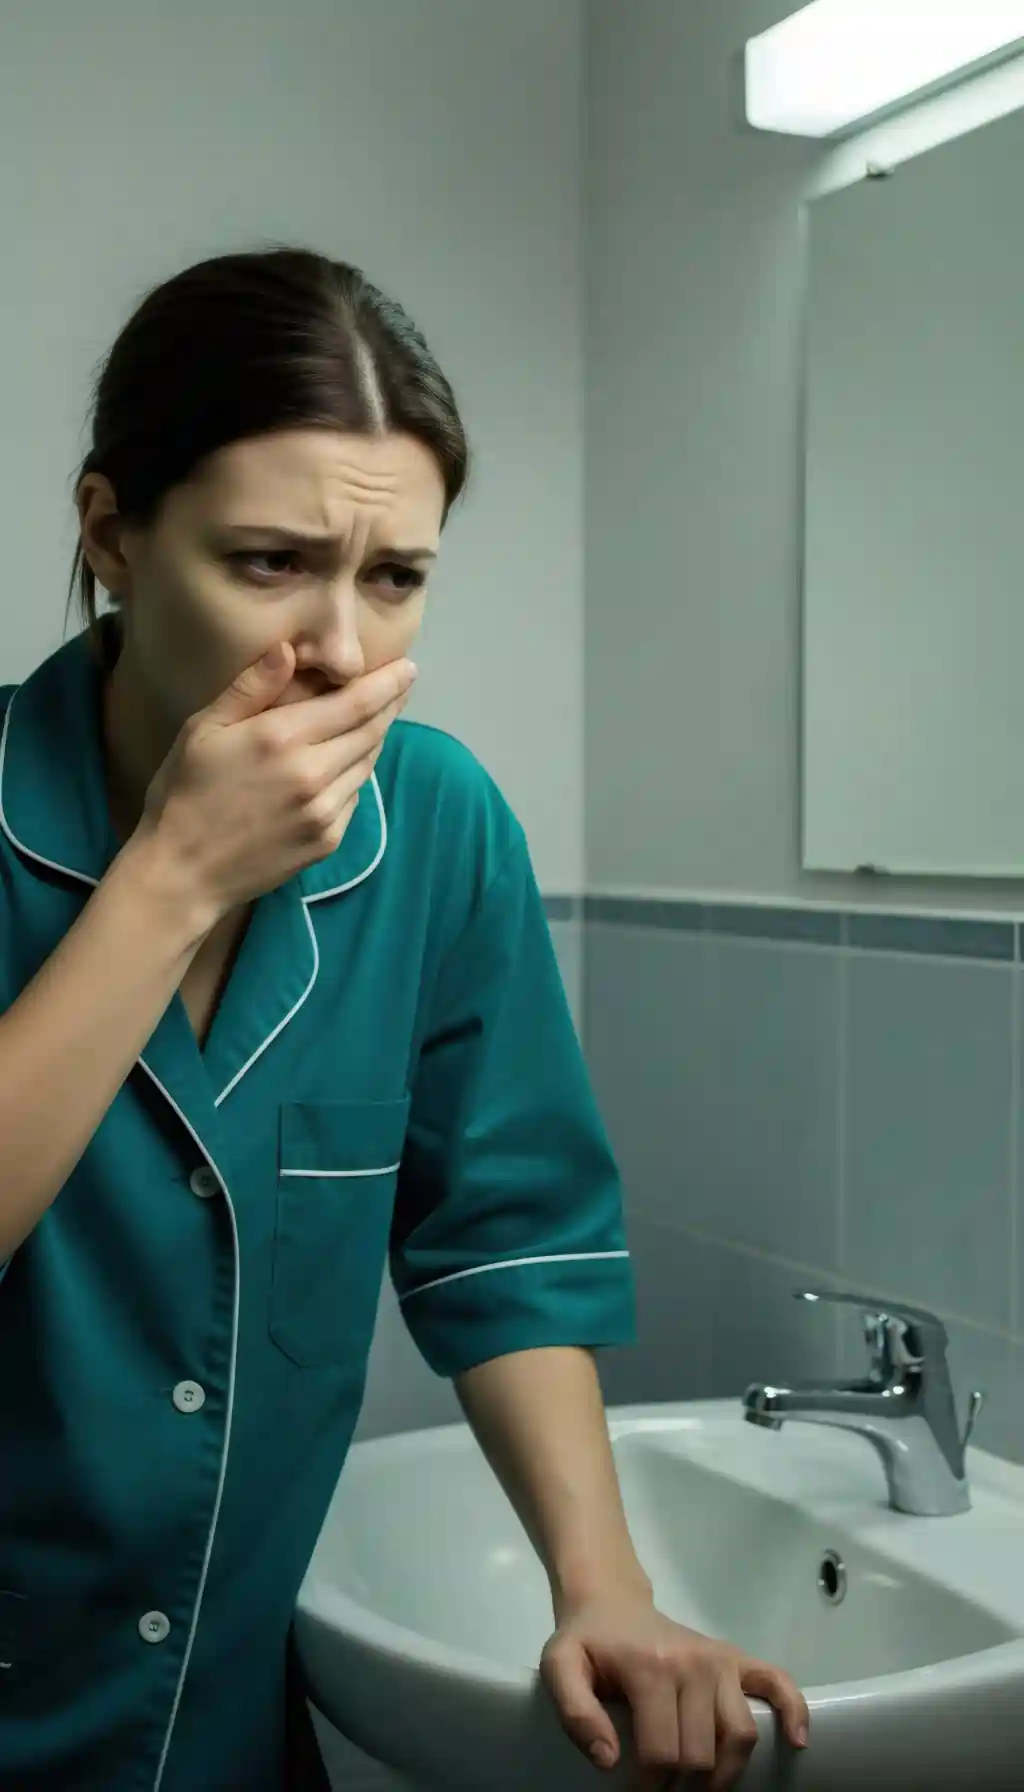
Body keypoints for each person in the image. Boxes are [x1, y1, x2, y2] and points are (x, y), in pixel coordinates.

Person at [0, 245, 810, 1790]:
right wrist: (170, 879)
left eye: (396, 577)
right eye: (267, 563)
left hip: (232, 1737)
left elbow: (501, 1242)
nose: (350, 652)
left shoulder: (435, 827)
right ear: (112, 535)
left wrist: (605, 1589)